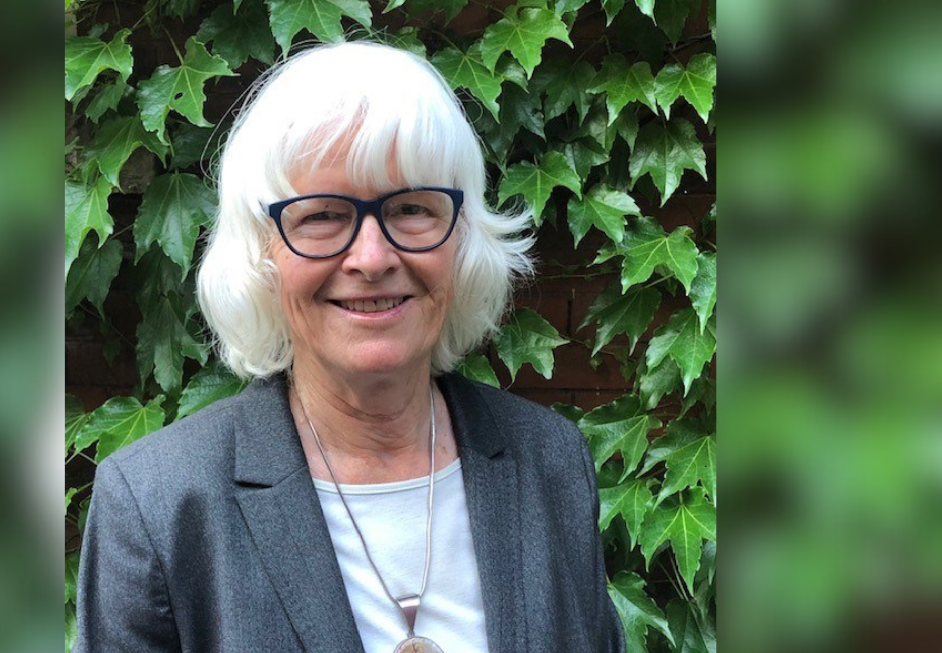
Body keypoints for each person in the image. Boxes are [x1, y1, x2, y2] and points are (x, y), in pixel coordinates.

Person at [74, 41, 624, 653]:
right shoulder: (159, 503)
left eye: (412, 208)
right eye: (322, 216)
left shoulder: (550, 461)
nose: (372, 258)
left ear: (462, 237)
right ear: (262, 253)